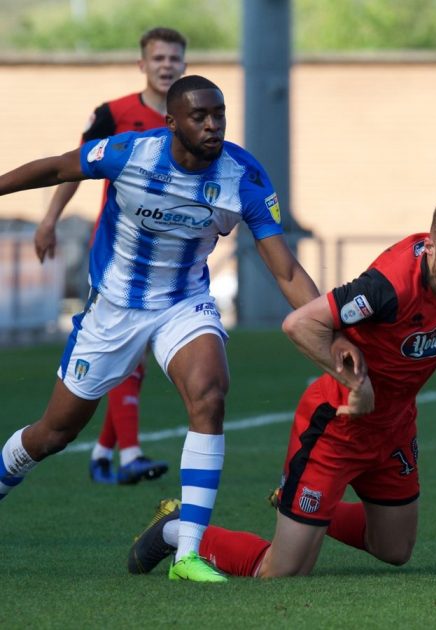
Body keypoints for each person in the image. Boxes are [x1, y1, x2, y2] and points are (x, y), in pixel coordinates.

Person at [124, 195, 436, 579]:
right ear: (431, 243)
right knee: (282, 575)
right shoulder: (387, 285)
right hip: (337, 424)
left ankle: (300, 506)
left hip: (393, 426)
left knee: (393, 549)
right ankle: (177, 529)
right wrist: (356, 381)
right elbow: (300, 324)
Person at [0, 75, 320, 582]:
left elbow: (284, 270)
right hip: (113, 311)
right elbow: (59, 166)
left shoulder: (244, 176)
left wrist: (327, 327)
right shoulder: (131, 153)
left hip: (183, 303)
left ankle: (187, 553)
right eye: (200, 116)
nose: (213, 125)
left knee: (210, 394)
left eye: (219, 115)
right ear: (172, 123)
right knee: (54, 433)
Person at [35, 27, 189, 486]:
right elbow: (73, 165)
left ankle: (104, 452)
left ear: (184, 64)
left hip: (171, 257)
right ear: (142, 64)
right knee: (130, 347)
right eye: (158, 58)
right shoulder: (114, 114)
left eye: (174, 58)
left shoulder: (192, 115)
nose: (167, 65)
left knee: (132, 352)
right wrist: (49, 221)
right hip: (118, 255)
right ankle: (129, 455)